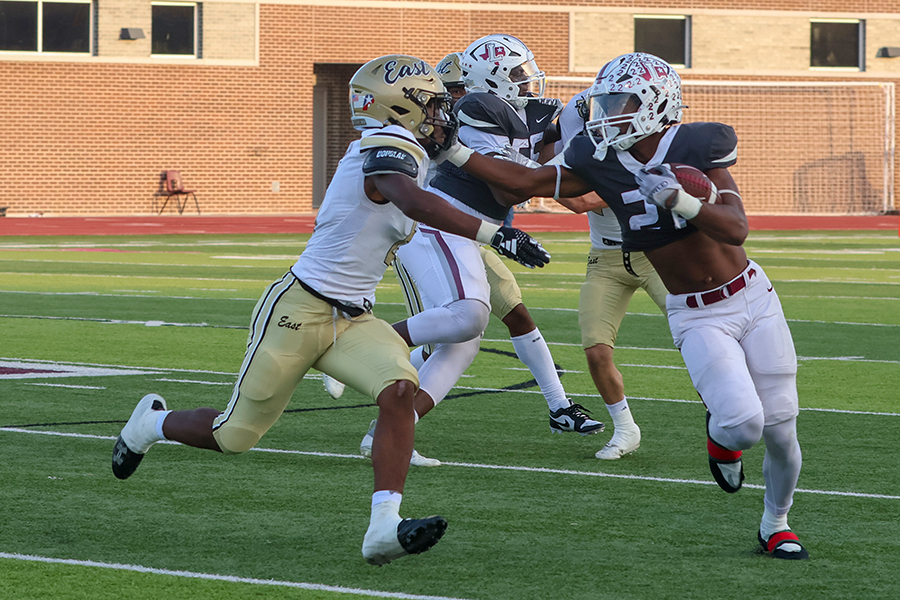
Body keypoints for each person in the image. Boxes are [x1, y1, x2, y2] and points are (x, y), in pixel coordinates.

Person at [110, 54, 549, 567]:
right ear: (399, 107)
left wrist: (461, 156)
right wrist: (500, 234)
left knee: (400, 391)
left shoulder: (411, 146)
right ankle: (148, 425)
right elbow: (410, 200)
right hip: (299, 308)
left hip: (353, 319)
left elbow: (463, 167)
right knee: (234, 436)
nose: (439, 113)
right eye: (429, 103)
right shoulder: (385, 144)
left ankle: (383, 526)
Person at [440, 52, 808, 560]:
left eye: (622, 102)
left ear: (656, 103)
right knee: (744, 424)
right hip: (696, 310)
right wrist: (451, 150)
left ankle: (776, 523)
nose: (609, 113)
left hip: (753, 296)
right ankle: (721, 440)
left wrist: (681, 200)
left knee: (782, 429)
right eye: (606, 102)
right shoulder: (599, 155)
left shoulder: (702, 143)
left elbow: (736, 228)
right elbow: (522, 183)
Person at [357, 35, 604, 462]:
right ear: (494, 79)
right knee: (468, 316)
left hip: (466, 229)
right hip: (442, 221)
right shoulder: (477, 110)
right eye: (518, 74)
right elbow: (508, 184)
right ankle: (362, 347)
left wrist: (582, 135)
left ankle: (390, 432)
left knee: (464, 340)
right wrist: (588, 172)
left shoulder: (520, 112)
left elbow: (548, 158)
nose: (529, 82)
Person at [549, 88, 669, 460]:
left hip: (657, 256)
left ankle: (724, 411)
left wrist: (545, 170)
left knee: (699, 338)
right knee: (596, 350)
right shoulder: (579, 135)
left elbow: (580, 200)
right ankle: (625, 428)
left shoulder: (643, 153)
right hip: (605, 258)